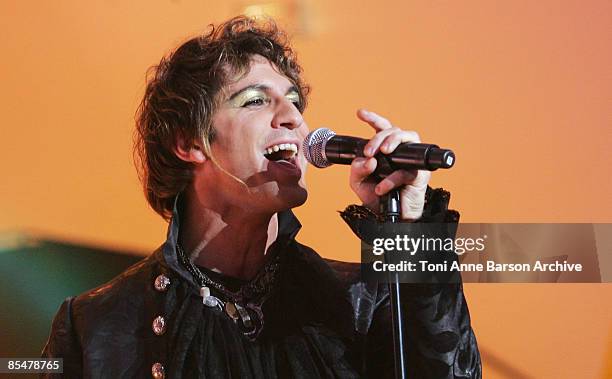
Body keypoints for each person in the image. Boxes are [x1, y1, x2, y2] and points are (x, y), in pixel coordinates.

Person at [42, 16, 481, 378]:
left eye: (294, 102)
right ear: (190, 143)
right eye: (255, 101)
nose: (292, 117)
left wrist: (411, 228)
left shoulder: (362, 300)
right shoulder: (95, 326)